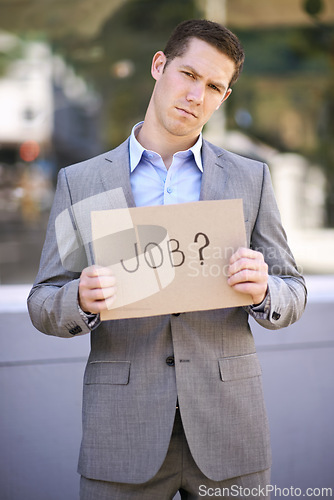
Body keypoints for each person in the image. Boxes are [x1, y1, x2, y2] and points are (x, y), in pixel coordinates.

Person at [28, 19, 307, 500]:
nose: (196, 95)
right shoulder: (85, 183)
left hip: (229, 432)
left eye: (214, 86)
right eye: (189, 75)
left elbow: (293, 289)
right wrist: (81, 299)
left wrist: (266, 291)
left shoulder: (250, 179)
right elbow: (44, 299)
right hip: (122, 434)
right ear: (160, 66)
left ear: (224, 98)